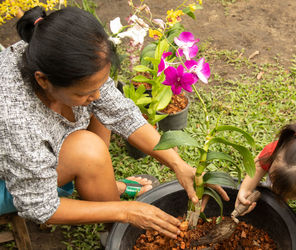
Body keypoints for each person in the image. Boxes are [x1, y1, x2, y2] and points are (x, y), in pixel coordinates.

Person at [0, 6, 228, 240]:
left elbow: (121, 112)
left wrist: (178, 164)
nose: (97, 95)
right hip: (7, 182)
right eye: (85, 92)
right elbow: (39, 207)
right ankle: (110, 217)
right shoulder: (15, 119)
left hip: (29, 153)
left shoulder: (56, 52)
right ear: (43, 80)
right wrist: (126, 212)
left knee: (101, 111)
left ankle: (102, 186)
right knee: (88, 150)